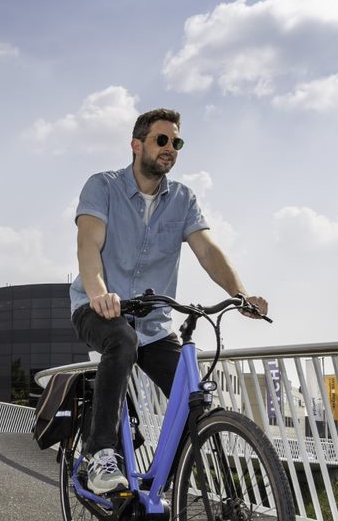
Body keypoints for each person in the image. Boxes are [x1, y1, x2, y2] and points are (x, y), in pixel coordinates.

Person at [69, 108, 268, 495]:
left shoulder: (182, 199)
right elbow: (88, 245)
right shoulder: (103, 186)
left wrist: (240, 295)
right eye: (162, 140)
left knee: (191, 397)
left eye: (176, 142)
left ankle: (160, 489)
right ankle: (100, 454)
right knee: (121, 341)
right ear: (136, 144)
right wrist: (99, 293)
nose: (170, 149)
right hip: (99, 309)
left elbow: (208, 251)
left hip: (155, 324)